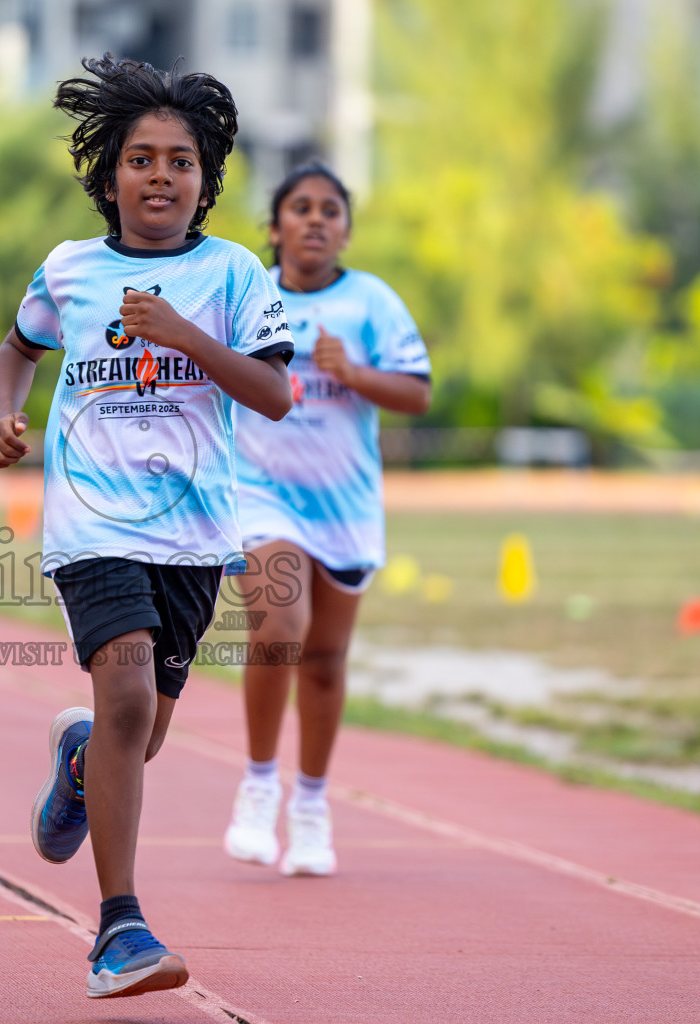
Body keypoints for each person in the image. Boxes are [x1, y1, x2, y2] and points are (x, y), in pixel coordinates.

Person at [0, 54, 293, 999]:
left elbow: (276, 393)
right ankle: (118, 932)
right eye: (141, 158)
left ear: (207, 182)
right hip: (91, 526)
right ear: (107, 172)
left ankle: (79, 763)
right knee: (122, 705)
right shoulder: (69, 270)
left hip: (195, 537)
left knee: (140, 735)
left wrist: (185, 335)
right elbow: (17, 347)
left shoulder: (234, 274)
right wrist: (6, 412)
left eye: (182, 162)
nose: (161, 175)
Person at [223, 163, 432, 877]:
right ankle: (257, 786)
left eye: (330, 211)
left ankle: (310, 806)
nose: (316, 220)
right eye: (301, 208)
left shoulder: (371, 301)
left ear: (345, 229)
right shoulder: (248, 294)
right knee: (281, 630)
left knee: (325, 661)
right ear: (275, 224)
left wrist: (355, 374)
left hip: (344, 506)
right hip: (261, 492)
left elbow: (417, 394)